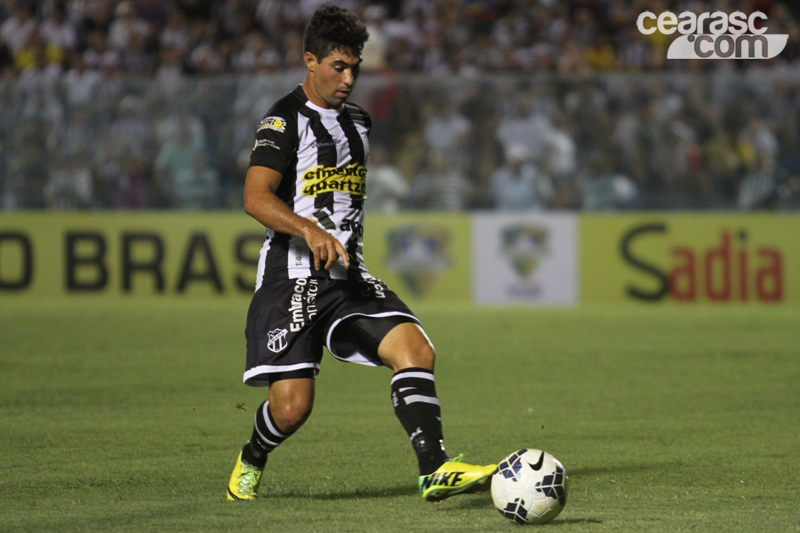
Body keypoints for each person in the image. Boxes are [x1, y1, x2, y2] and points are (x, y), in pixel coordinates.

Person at [227, 6, 496, 503]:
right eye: (338, 67)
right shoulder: (284, 120)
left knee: (415, 351)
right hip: (292, 280)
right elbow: (255, 197)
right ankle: (254, 455)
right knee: (291, 409)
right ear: (310, 60)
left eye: (356, 68)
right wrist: (309, 230)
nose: (349, 78)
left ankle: (434, 469)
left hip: (348, 277)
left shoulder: (359, 123)